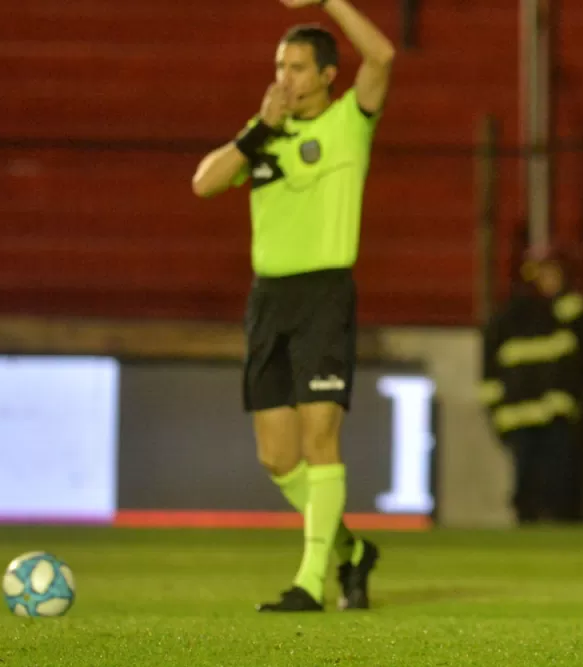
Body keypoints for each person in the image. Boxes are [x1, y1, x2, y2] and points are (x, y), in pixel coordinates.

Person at [190, 0, 395, 613]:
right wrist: (257, 128)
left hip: (323, 295)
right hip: (268, 301)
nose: (285, 77)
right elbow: (203, 182)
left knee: (319, 435)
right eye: (280, 66)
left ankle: (310, 582)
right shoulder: (262, 134)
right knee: (278, 457)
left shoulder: (348, 124)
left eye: (299, 67)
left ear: (329, 74)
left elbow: (382, 56)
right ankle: (352, 552)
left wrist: (329, 1)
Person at [479, 248, 583, 523]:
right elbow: (489, 374)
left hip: (559, 418)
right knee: (528, 487)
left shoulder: (570, 314)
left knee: (564, 486)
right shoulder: (508, 320)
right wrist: (496, 414)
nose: (548, 281)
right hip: (521, 419)